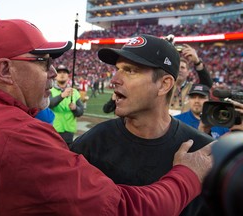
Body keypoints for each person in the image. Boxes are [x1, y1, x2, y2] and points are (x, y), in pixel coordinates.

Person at [0, 19, 212, 216]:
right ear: (4, 70)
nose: (54, 72)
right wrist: (187, 176)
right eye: (43, 62)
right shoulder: (20, 137)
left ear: (165, 83)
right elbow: (120, 209)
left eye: (131, 70)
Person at [71, 34, 214, 216]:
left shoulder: (201, 154)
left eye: (130, 70)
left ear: (164, 85)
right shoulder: (91, 144)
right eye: (117, 69)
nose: (114, 79)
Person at [169, 43, 213, 115]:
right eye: (177, 67)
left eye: (183, 68)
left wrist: (197, 62)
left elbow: (207, 84)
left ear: (188, 72)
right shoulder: (165, 86)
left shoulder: (193, 88)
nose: (179, 70)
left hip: (185, 124)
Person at [49, 64, 84, 146]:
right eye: (59, 72)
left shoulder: (74, 92)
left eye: (64, 72)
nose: (62, 74)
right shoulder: (50, 90)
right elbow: (48, 104)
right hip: (54, 129)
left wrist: (75, 108)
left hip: (69, 130)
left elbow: (80, 112)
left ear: (68, 76)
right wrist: (61, 96)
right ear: (55, 76)